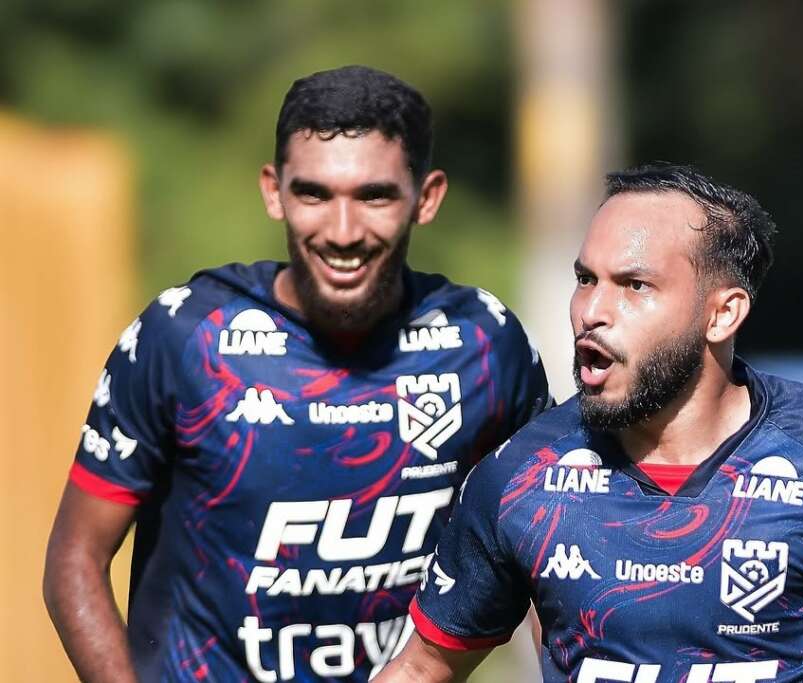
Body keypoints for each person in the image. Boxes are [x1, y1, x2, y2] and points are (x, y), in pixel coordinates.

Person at [43, 65, 550, 683]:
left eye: (374, 196)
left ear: (427, 197)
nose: (342, 232)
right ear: (273, 191)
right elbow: (75, 560)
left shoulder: (485, 346)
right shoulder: (186, 339)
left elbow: (548, 553)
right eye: (314, 194)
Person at [378, 162, 803, 682]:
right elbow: (425, 668)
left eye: (635, 286)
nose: (592, 311)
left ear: (723, 314)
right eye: (586, 279)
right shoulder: (523, 475)